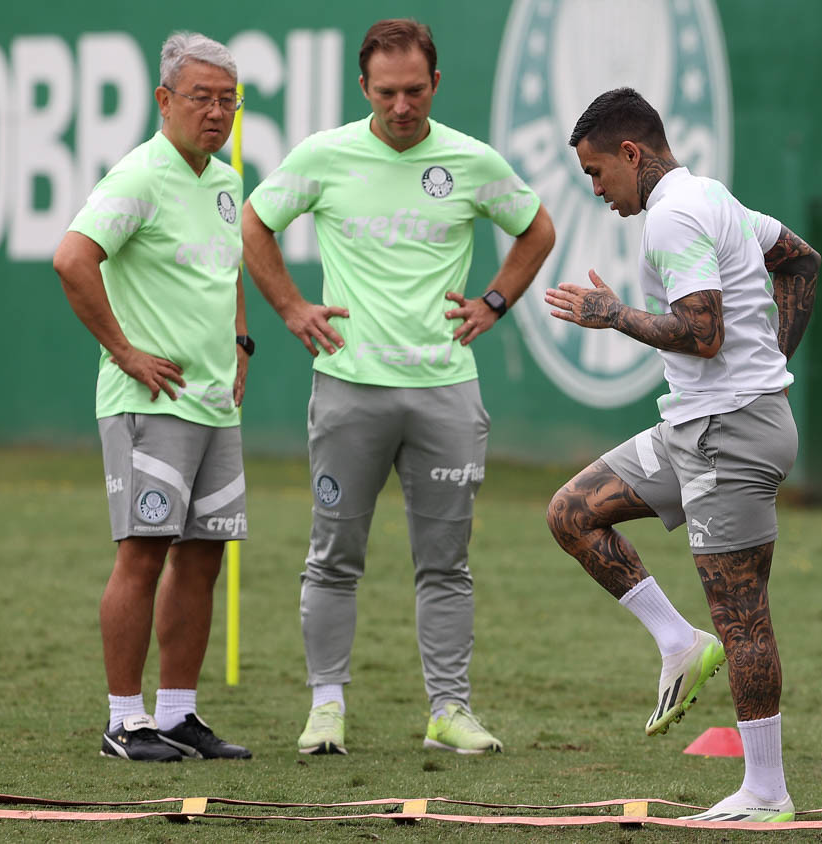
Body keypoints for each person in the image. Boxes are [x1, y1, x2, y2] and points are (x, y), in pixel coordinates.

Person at [242, 18, 554, 757]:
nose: (403, 105)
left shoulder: (472, 162)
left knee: (445, 562)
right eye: (387, 92)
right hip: (349, 388)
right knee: (333, 555)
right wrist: (290, 306)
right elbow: (255, 225)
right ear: (364, 89)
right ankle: (326, 707)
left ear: (436, 84)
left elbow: (537, 229)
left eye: (415, 90)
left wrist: (495, 302)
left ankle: (449, 710)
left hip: (446, 391)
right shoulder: (324, 155)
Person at [545, 87, 821, 823]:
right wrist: (769, 366)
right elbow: (801, 260)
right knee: (572, 513)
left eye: (597, 173)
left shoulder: (673, 213)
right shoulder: (711, 195)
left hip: (729, 435)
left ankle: (766, 791)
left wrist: (613, 315)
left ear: (631, 153)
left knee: (743, 617)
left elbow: (702, 332)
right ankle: (676, 643)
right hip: (695, 425)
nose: (595, 190)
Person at [52, 31, 253, 762]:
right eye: (201, 97)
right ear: (164, 100)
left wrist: (240, 341)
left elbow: (227, 271)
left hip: (212, 406)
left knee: (202, 558)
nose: (216, 111)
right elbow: (72, 259)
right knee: (143, 555)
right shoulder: (139, 175)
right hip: (149, 405)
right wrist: (125, 351)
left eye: (227, 99)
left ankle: (175, 714)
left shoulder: (228, 181)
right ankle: (123, 720)